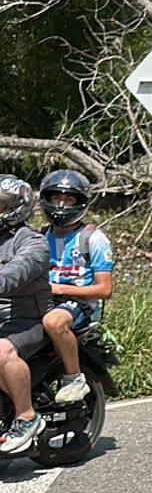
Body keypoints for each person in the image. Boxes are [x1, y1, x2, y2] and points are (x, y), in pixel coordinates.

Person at [39, 170, 114, 403]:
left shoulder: (93, 238)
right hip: (44, 300)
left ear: (80, 202)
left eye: (69, 199)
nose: (61, 204)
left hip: (79, 305)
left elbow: (104, 290)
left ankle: (74, 377)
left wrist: (60, 289)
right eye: (56, 198)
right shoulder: (39, 237)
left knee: (54, 321)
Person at [0, 175, 50, 454]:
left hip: (27, 319)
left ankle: (26, 416)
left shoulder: (32, 242)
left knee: (0, 351)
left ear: (16, 207)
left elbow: (17, 272)